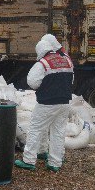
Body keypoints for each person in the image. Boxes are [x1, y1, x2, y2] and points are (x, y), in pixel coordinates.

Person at [15, 37, 73, 173]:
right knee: (58, 132)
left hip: (47, 103)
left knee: (35, 129)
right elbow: (72, 79)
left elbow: (32, 82)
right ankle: (55, 163)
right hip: (64, 102)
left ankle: (28, 160)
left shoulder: (43, 63)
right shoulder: (67, 60)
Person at [36, 33, 70, 161]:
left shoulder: (51, 57)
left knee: (41, 126)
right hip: (63, 97)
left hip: (48, 97)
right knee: (58, 130)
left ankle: (43, 152)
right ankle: (55, 156)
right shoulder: (64, 55)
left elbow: (36, 79)